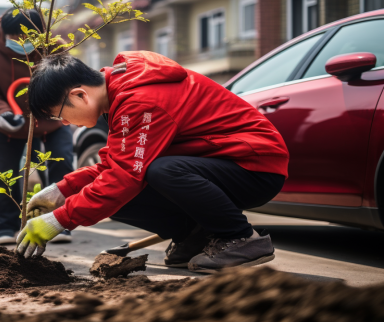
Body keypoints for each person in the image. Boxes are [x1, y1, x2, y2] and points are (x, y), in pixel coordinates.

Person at [19, 52, 289, 273]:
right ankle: (195, 237)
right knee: (119, 193)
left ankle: (240, 238)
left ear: (80, 95)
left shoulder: (141, 99)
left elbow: (124, 175)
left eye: (59, 115)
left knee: (159, 172)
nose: (65, 123)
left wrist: (59, 220)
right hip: (214, 162)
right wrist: (62, 190)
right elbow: (115, 164)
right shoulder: (120, 93)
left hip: (253, 165)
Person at [0, 9, 74, 245]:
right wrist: (1, 114)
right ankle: (7, 227)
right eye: (15, 37)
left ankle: (58, 221)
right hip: (8, 125)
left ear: (40, 32)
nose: (21, 43)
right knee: (5, 173)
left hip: (53, 120)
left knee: (63, 163)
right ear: (4, 32)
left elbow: (70, 83)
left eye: (27, 37)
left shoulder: (55, 47)